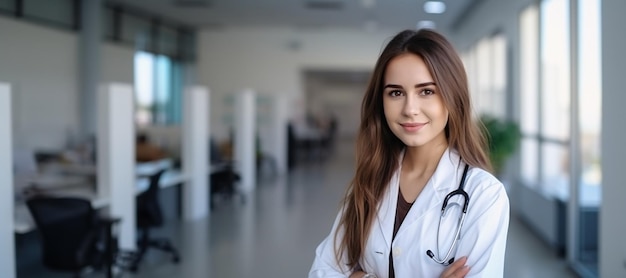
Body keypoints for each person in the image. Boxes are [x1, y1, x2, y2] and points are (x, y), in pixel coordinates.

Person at [308, 29, 510, 278]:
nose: (409, 109)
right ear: (381, 102)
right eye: (396, 93)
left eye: (426, 91)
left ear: (452, 97)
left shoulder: (484, 195)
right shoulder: (369, 181)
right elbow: (322, 271)